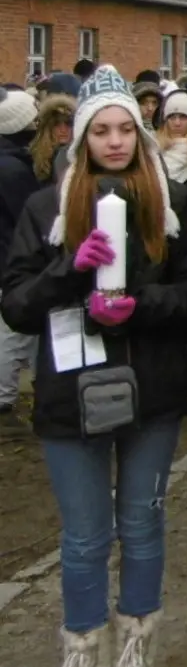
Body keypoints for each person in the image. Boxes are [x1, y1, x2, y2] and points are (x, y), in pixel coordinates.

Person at [0, 68, 187, 667]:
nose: (115, 142)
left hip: (150, 393)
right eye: (102, 131)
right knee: (85, 537)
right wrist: (69, 269)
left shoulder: (171, 204)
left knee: (143, 526)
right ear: (80, 139)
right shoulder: (45, 210)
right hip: (70, 397)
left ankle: (134, 660)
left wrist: (137, 305)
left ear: (140, 133)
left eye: (125, 129)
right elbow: (16, 304)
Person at [0, 87, 41, 437]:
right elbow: (24, 215)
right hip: (8, 258)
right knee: (11, 334)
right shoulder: (13, 169)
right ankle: (2, 399)